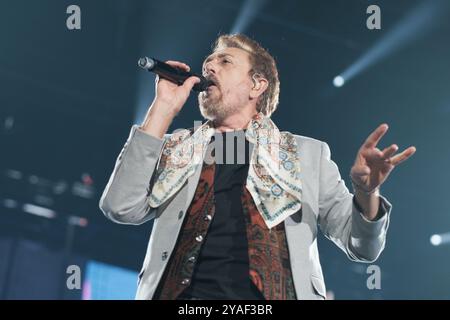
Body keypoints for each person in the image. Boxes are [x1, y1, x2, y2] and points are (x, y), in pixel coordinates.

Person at [99, 34, 416, 300]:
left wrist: (367, 191)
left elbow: (361, 247)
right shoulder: (179, 147)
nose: (209, 65)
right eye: (209, 60)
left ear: (257, 85)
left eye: (225, 61)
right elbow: (120, 207)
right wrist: (163, 109)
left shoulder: (306, 154)